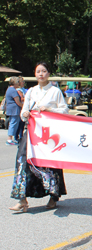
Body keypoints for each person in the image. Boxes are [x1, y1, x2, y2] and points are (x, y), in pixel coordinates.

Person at [10, 62, 69, 212]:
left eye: (44, 71)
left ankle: (53, 196)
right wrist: (25, 114)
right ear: (35, 74)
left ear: (49, 73)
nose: (41, 74)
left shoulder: (55, 91)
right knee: (22, 160)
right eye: (38, 71)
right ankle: (22, 199)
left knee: (50, 163)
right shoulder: (31, 91)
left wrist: (49, 109)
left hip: (50, 134)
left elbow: (65, 110)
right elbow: (24, 111)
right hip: (32, 132)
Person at [5, 77, 23, 145]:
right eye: (18, 82)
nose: (19, 83)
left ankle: (10, 139)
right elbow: (18, 102)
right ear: (15, 83)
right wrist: (24, 107)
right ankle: (9, 139)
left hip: (11, 109)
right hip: (14, 109)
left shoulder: (9, 89)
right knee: (13, 123)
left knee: (13, 123)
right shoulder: (13, 90)